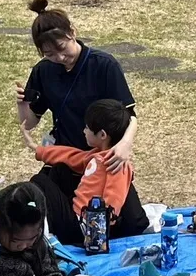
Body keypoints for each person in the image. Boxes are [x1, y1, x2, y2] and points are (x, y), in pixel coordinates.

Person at [15, 0, 148, 239]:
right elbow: (31, 121)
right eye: (49, 54)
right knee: (39, 193)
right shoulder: (44, 71)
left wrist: (124, 146)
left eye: (62, 48)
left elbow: (129, 114)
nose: (59, 57)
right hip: (68, 158)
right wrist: (22, 104)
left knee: (132, 227)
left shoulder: (103, 65)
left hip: (104, 159)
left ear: (72, 33)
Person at [20, 99, 134, 245]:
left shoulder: (117, 164)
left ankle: (37, 227)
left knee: (40, 181)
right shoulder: (97, 155)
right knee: (59, 169)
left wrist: (97, 233)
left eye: (87, 128)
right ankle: (46, 221)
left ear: (102, 135)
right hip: (76, 214)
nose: (83, 131)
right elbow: (70, 156)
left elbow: (114, 200)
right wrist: (37, 148)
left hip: (85, 229)